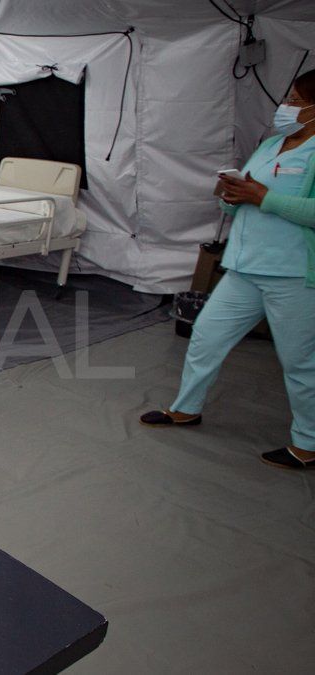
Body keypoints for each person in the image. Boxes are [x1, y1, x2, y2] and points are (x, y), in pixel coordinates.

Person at [141, 70, 315, 471]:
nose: (286, 105)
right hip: (244, 266)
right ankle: (186, 409)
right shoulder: (273, 144)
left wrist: (263, 197)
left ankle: (307, 443)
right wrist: (231, 196)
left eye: (296, 98)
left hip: (292, 273)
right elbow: (243, 197)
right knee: (206, 336)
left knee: (299, 360)